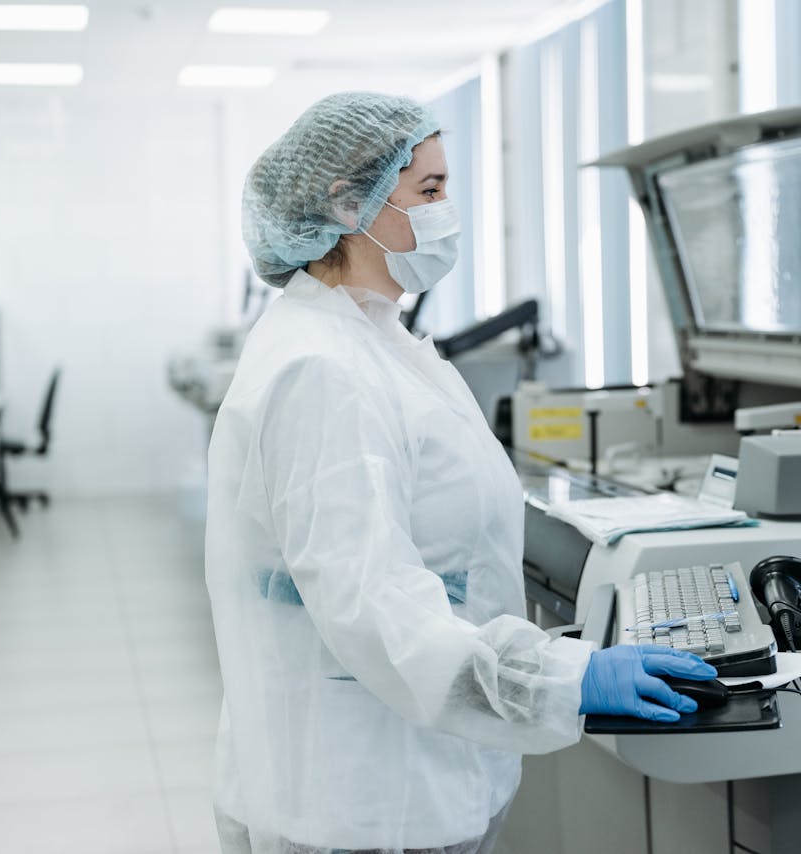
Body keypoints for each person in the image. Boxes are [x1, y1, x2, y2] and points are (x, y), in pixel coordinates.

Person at [205, 91, 717, 854]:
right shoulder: (323, 368)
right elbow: (371, 604)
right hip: (363, 799)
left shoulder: (372, 341)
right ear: (350, 206)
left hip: (392, 769)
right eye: (430, 191)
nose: (449, 213)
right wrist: (562, 679)